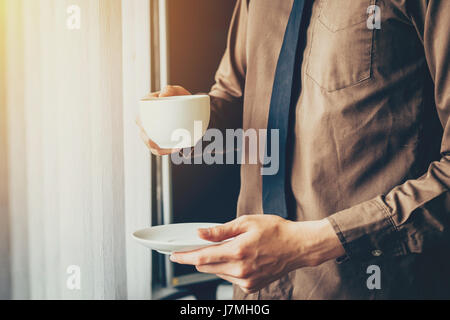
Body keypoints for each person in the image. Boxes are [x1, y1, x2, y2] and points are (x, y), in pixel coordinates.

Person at [137, 0, 450, 299]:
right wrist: (188, 126)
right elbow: (240, 107)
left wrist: (310, 244)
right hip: (254, 291)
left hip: (371, 286)